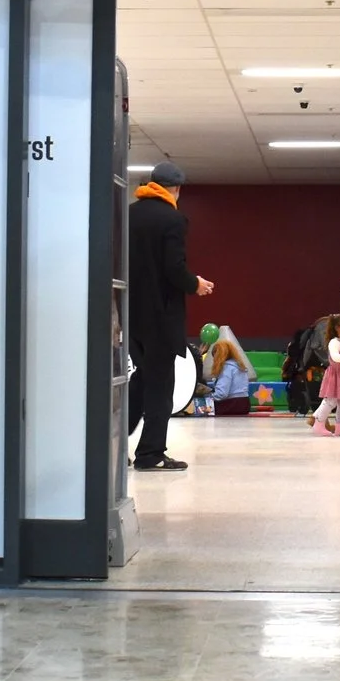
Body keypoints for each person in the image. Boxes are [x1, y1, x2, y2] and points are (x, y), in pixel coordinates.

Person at [128, 161, 213, 471]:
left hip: (131, 314)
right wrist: (196, 284)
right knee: (161, 387)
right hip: (161, 317)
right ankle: (150, 453)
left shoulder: (129, 214)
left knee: (141, 380)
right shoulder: (173, 219)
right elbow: (173, 267)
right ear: (176, 189)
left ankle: (112, 443)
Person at [204, 334, 252, 415]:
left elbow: (222, 394)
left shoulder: (226, 368)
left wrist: (208, 397)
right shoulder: (240, 366)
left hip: (231, 405)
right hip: (245, 404)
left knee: (203, 408)